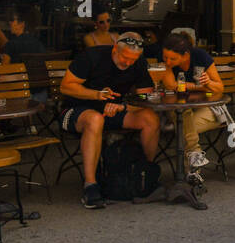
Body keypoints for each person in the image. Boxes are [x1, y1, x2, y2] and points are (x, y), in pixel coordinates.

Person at [58, 34, 160, 209]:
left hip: (115, 110)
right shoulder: (92, 56)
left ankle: (144, 173)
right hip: (76, 110)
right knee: (95, 119)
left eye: (132, 60)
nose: (128, 63)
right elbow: (66, 86)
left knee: (150, 118)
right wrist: (96, 95)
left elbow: (145, 96)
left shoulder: (138, 62)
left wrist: (123, 106)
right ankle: (91, 186)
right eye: (124, 58)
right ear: (115, 49)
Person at [155, 32, 228, 178]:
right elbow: (170, 85)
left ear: (186, 54)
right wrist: (200, 86)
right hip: (179, 109)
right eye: (165, 57)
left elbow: (219, 88)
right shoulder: (165, 62)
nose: (168, 62)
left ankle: (190, 171)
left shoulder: (200, 56)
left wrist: (207, 83)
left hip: (207, 107)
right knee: (184, 115)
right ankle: (193, 170)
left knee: (184, 129)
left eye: (173, 58)